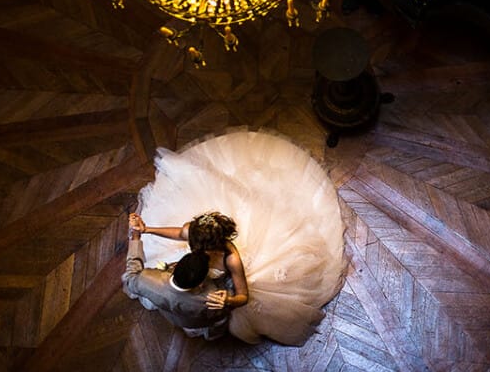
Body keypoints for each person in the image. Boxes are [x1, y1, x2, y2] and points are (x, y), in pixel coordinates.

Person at [134, 128, 348, 345]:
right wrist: (148, 230)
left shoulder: (231, 258)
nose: (194, 244)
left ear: (216, 247)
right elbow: (178, 233)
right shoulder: (193, 232)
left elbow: (243, 296)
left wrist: (229, 299)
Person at [121, 212, 232, 340]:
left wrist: (137, 236)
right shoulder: (211, 300)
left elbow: (130, 276)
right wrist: (228, 300)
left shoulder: (145, 282)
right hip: (196, 322)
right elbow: (221, 316)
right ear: (201, 283)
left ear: (174, 269)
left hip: (173, 318)